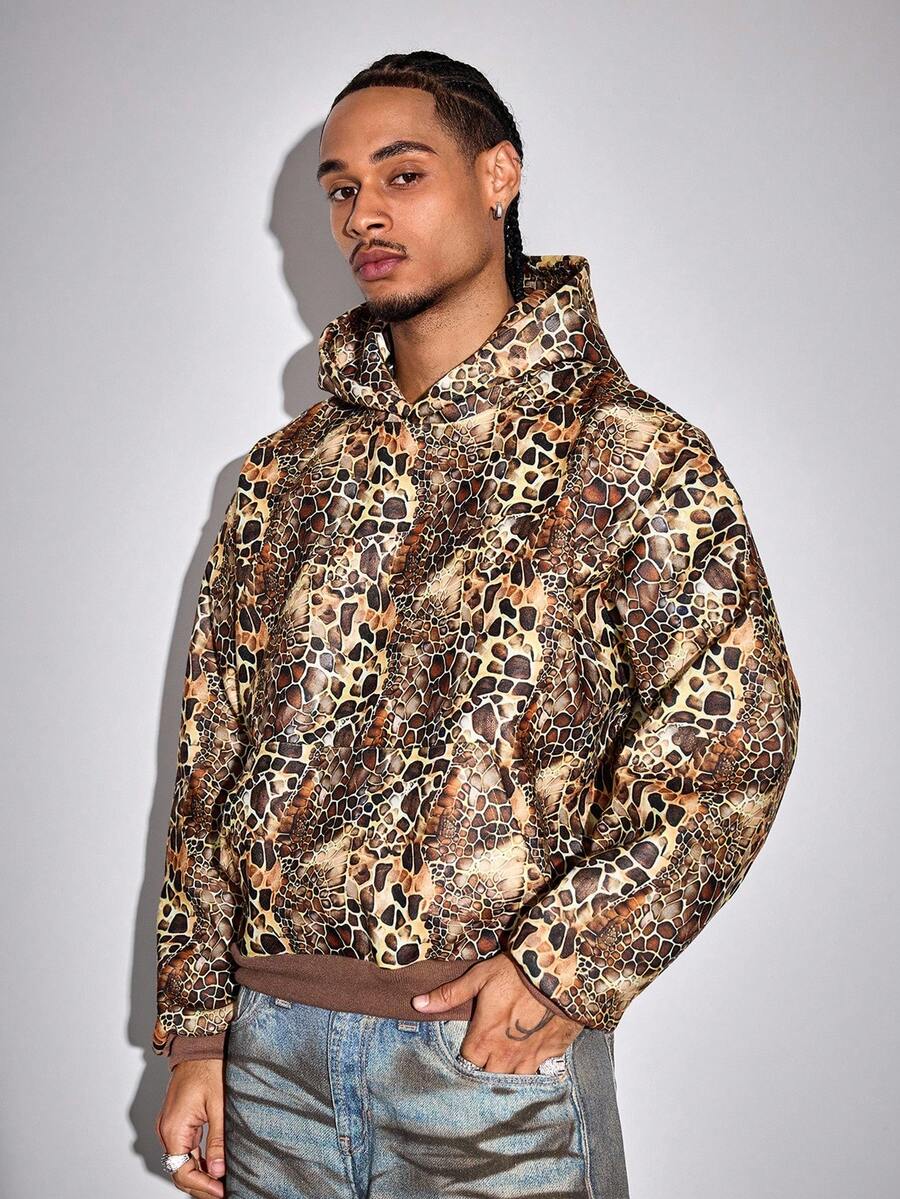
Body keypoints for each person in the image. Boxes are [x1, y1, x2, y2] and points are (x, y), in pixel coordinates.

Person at [153, 49, 801, 1199]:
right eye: (342, 187)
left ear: (498, 174)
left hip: (484, 1066)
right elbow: (212, 758)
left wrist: (567, 964)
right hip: (270, 1063)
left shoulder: (629, 453)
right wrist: (200, 1029)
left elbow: (734, 733)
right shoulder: (281, 477)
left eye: (402, 174)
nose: (364, 213)